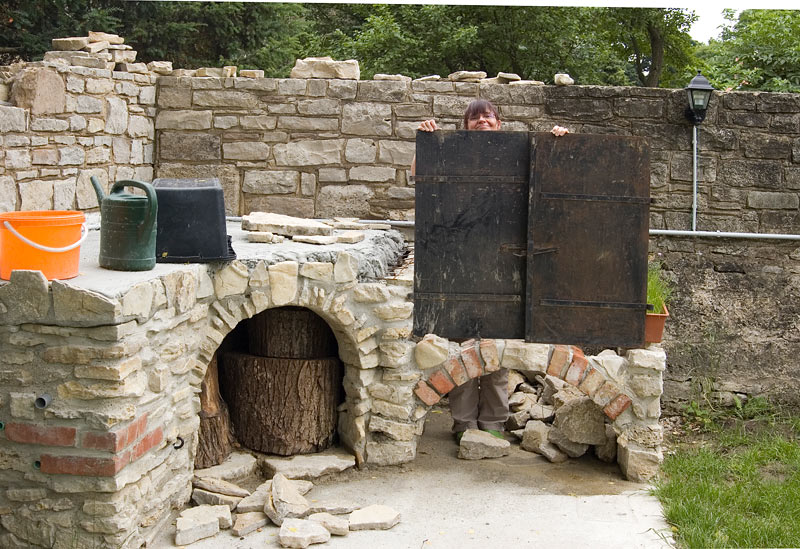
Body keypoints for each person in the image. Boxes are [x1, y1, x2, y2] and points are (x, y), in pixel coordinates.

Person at [412, 99, 568, 442]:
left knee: (496, 352)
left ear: (499, 123)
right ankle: (464, 424)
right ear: (466, 125)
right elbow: (419, 176)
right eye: (475, 117)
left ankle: (494, 424)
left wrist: (558, 141)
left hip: (503, 262)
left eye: (488, 115)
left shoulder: (518, 150)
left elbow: (552, 173)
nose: (482, 120)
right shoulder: (452, 150)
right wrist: (427, 141)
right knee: (464, 351)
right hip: (461, 261)